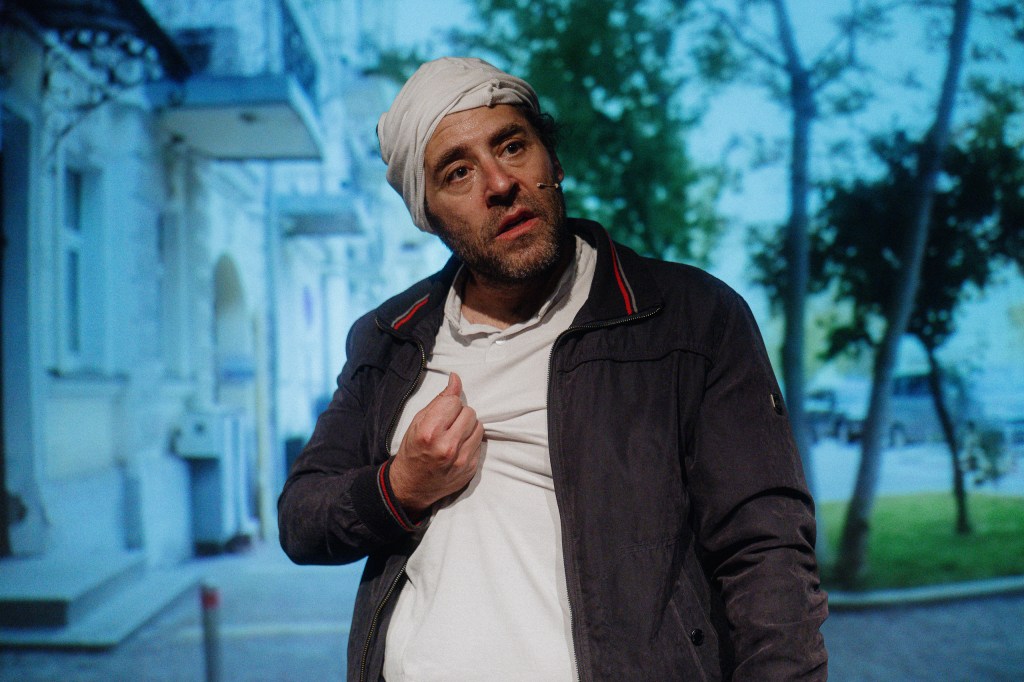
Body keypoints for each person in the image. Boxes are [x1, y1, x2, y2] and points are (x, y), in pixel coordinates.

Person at [278, 57, 828, 681]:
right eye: (458, 172)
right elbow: (301, 519)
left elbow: (767, 555)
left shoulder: (688, 319)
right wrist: (402, 485)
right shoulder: (389, 339)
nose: (499, 182)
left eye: (512, 146)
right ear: (429, 214)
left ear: (554, 161)